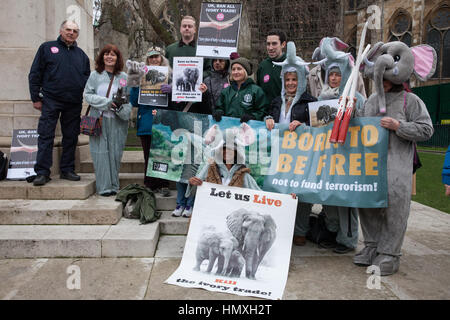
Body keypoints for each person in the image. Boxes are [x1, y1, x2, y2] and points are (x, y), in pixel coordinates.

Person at [355, 41, 435, 276]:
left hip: (397, 166)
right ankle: (372, 245)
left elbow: (426, 129)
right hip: (370, 166)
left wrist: (400, 126)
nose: (385, 83)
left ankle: (390, 252)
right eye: (382, 80)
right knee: (367, 205)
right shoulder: (369, 101)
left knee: (395, 207)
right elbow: (359, 127)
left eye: (388, 79)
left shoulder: (411, 101)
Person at [264, 41, 317, 246]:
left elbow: (318, 127)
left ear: (301, 80)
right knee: (279, 190)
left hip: (301, 156)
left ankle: (300, 230)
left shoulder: (310, 102)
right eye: (288, 80)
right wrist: (268, 118)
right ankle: (280, 228)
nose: (291, 83)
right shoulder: (276, 102)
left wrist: (303, 124)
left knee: (300, 192)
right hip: (279, 155)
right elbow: (269, 119)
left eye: (295, 79)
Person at [28, 20, 90, 186]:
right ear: (61, 30)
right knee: (46, 135)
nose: (71, 33)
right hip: (50, 100)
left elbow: (87, 77)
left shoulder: (82, 55)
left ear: (78, 34)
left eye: (75, 31)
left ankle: (67, 169)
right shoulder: (47, 48)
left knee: (70, 137)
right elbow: (35, 73)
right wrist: (35, 97)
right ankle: (42, 172)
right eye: (68, 29)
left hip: (73, 102)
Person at [317, 63, 365, 254]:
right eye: (331, 75)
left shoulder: (357, 97)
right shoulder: (322, 97)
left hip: (347, 154)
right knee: (329, 196)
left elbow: (363, 121)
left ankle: (347, 239)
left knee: (345, 200)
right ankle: (332, 232)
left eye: (338, 74)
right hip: (327, 154)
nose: (334, 78)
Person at [83, 44, 132, 196]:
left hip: (117, 122)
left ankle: (114, 185)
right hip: (99, 120)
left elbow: (129, 100)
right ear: (102, 57)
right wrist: (106, 102)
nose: (109, 57)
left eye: (113, 54)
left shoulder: (124, 78)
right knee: (100, 153)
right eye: (106, 54)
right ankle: (104, 187)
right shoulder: (95, 75)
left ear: (118, 58)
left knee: (115, 153)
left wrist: (122, 110)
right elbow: (88, 95)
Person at [129, 46, 171, 197]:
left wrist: (171, 90)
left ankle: (163, 184)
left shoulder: (169, 76)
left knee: (162, 153)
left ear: (161, 59)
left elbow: (175, 102)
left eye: (157, 57)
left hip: (162, 120)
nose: (154, 59)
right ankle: (150, 184)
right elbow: (133, 102)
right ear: (147, 60)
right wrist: (134, 84)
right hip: (146, 120)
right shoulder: (140, 76)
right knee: (148, 155)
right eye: (151, 57)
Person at [213, 56, 269, 123]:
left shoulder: (256, 90)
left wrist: (253, 116)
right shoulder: (226, 91)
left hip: (247, 129)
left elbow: (263, 110)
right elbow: (219, 107)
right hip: (228, 128)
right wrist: (219, 112)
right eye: (233, 69)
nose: (236, 72)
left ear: (245, 71)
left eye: (239, 69)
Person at [256, 29, 287, 105]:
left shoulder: (290, 64)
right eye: (268, 44)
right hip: (266, 113)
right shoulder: (263, 65)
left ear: (283, 44)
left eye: (274, 44)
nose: (270, 48)